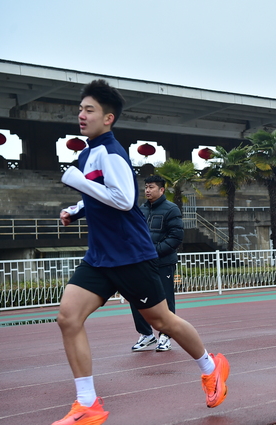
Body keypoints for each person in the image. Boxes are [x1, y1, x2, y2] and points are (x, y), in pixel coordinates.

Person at [54, 80, 229, 425]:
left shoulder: (111, 152)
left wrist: (78, 182)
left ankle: (212, 368)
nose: (82, 115)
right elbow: (98, 194)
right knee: (68, 318)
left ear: (108, 118)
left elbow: (123, 198)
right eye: (80, 109)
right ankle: (87, 403)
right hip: (100, 256)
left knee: (162, 321)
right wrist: (76, 210)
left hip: (131, 254)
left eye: (89, 110)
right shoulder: (87, 154)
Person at [130, 175, 184, 352]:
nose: (147, 190)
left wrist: (154, 251)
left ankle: (165, 336)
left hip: (163, 263)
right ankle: (146, 334)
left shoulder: (171, 209)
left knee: (165, 300)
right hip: (141, 262)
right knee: (135, 297)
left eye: (151, 187)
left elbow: (176, 237)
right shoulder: (141, 210)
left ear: (161, 190)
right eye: (146, 187)